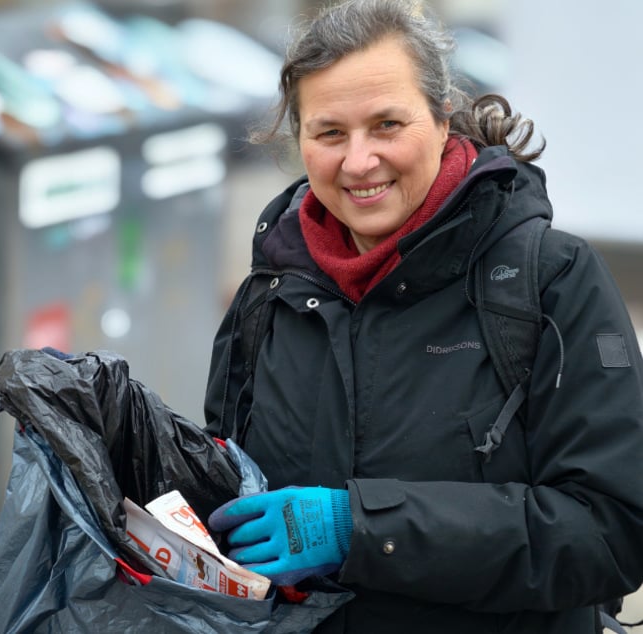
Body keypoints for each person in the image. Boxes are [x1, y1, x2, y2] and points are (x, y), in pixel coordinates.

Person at [203, 0, 643, 632]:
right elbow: (228, 487)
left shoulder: (550, 280)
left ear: (442, 119)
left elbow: (610, 531)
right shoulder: (271, 290)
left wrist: (361, 528)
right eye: (330, 133)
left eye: (387, 124)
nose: (359, 161)